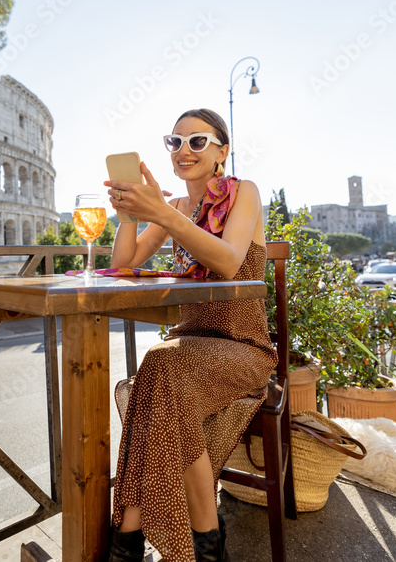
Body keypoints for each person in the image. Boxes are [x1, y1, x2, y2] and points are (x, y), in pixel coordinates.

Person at [103, 108, 275, 562]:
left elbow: (227, 261)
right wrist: (128, 216)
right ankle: (206, 544)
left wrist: (162, 212)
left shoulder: (245, 194)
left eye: (197, 142)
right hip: (188, 347)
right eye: (174, 142)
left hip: (244, 347)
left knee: (158, 369)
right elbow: (125, 264)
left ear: (222, 149)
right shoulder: (176, 208)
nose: (183, 151)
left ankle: (128, 537)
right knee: (163, 368)